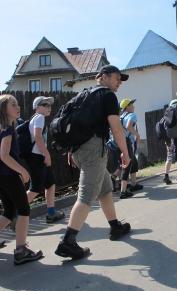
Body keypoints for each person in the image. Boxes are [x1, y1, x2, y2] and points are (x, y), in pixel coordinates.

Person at [55, 65, 131, 260]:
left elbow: (75, 125)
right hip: (93, 149)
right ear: (103, 77)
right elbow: (116, 128)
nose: (119, 82)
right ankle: (68, 242)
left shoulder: (84, 95)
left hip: (80, 150)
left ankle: (115, 226)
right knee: (86, 195)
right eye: (117, 78)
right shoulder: (107, 96)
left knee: (105, 188)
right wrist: (125, 152)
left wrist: (73, 150)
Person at [0, 94, 43, 265]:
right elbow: (3, 155)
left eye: (17, 104)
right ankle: (21, 250)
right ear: (4, 109)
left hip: (1, 177)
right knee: (24, 210)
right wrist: (23, 172)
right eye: (12, 104)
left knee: (9, 211)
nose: (17, 107)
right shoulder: (8, 129)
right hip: (8, 175)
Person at [25, 96, 65, 223]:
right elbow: (37, 136)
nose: (49, 107)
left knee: (50, 183)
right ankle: (14, 213)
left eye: (49, 105)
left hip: (38, 156)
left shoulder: (36, 118)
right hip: (37, 157)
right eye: (45, 105)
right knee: (35, 188)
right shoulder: (40, 118)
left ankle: (51, 213)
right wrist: (46, 155)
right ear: (37, 107)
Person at [118, 98, 143, 199]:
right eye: (131, 104)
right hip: (127, 142)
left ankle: (133, 184)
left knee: (133, 162)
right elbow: (129, 126)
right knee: (127, 164)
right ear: (127, 107)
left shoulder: (121, 116)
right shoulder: (132, 115)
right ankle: (123, 191)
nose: (133, 106)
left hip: (120, 141)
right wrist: (137, 135)